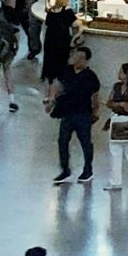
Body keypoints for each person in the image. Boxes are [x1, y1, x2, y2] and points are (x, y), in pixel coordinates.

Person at [50, 41, 100, 183]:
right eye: (75, 57)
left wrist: (96, 111)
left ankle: (88, 169)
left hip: (83, 113)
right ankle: (65, 169)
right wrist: (52, 99)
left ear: (86, 60)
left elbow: (95, 95)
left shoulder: (91, 76)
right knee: (62, 141)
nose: (76, 60)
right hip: (67, 112)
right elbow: (57, 85)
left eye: (80, 58)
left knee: (85, 142)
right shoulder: (67, 70)